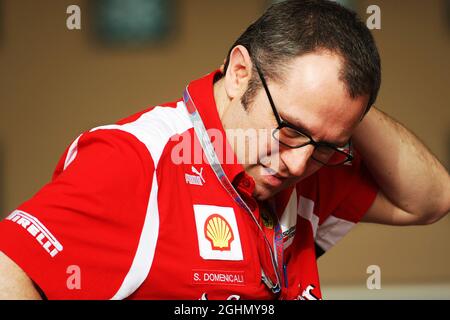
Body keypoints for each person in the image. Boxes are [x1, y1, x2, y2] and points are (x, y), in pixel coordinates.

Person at [0, 0, 449, 300]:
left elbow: (432, 200)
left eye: (328, 145)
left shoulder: (310, 161)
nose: (296, 163)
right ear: (239, 73)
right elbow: (9, 270)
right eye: (290, 128)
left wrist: (337, 110)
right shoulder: (137, 159)